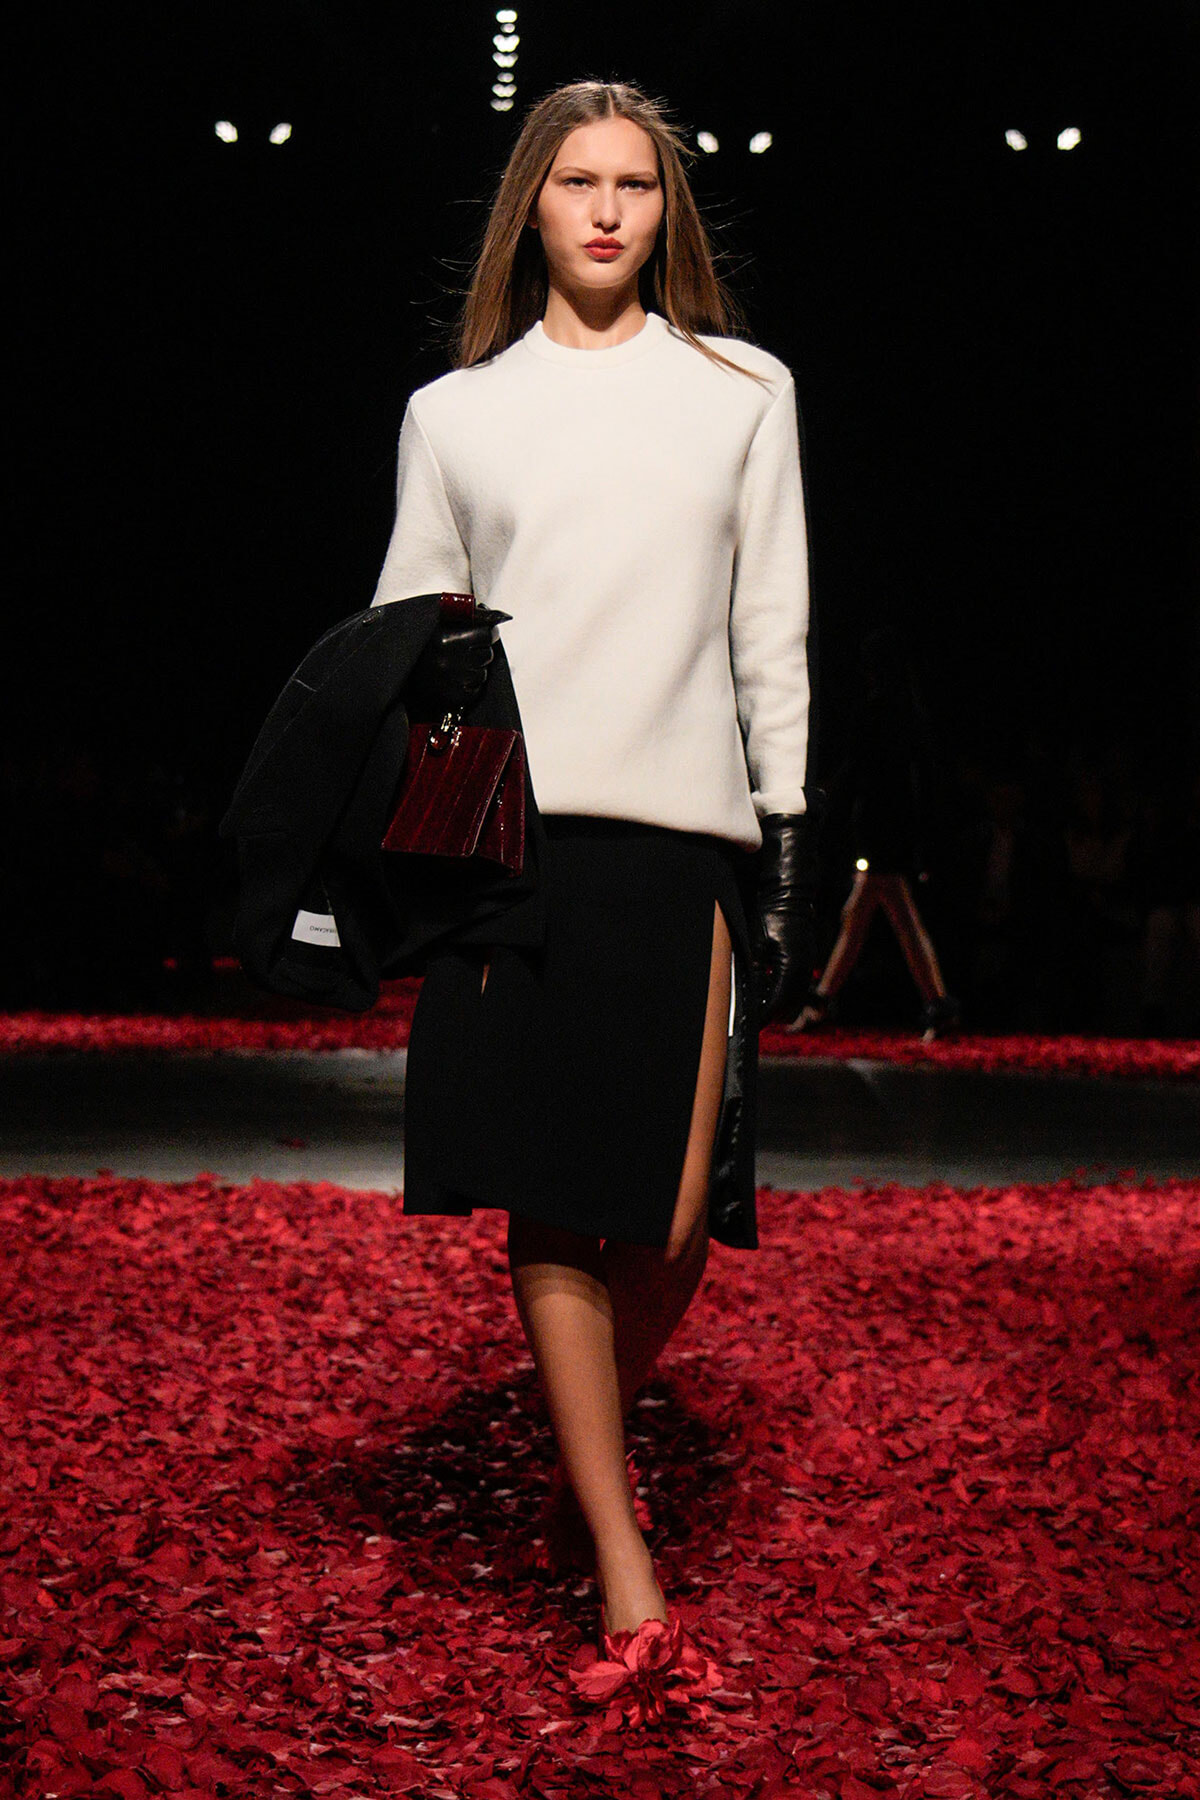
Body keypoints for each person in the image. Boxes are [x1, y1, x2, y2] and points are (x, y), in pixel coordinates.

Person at [369, 79, 819, 1717]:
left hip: (688, 833)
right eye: (580, 181)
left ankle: (581, 1468)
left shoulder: (742, 391)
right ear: (533, 205)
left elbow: (771, 628)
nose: (611, 209)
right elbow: (406, 636)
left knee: (682, 1214)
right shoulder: (459, 412)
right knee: (557, 1201)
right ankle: (625, 1569)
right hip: (515, 844)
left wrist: (782, 836)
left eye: (637, 183)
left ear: (668, 209)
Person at [787, 625, 960, 1041]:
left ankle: (935, 1005)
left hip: (882, 829)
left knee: (886, 917)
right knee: (865, 916)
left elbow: (855, 773)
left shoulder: (877, 713)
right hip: (893, 827)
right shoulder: (910, 715)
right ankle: (829, 1000)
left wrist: (823, 803)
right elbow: (923, 782)